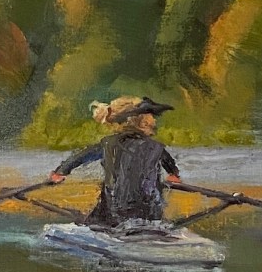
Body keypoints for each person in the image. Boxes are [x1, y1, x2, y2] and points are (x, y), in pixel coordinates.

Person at [48, 96, 181, 226]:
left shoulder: (108, 143)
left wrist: (61, 172)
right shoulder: (156, 147)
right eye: (151, 116)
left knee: (105, 208)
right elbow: (170, 165)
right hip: (150, 215)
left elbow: (81, 156)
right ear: (142, 122)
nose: (155, 120)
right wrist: (173, 175)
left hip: (112, 214)